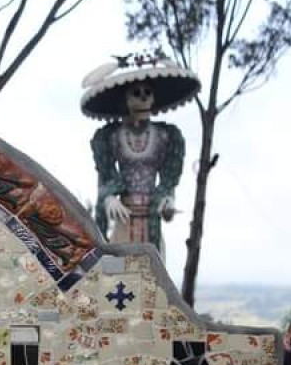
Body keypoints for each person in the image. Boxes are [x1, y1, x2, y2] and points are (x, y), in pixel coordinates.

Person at [80, 53, 201, 256]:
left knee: (152, 276)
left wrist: (168, 201)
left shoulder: (165, 135)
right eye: (136, 92)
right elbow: (106, 177)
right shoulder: (111, 136)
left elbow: (169, 181)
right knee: (121, 275)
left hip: (152, 221)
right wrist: (109, 198)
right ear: (124, 99)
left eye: (148, 92)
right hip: (124, 218)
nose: (144, 97)